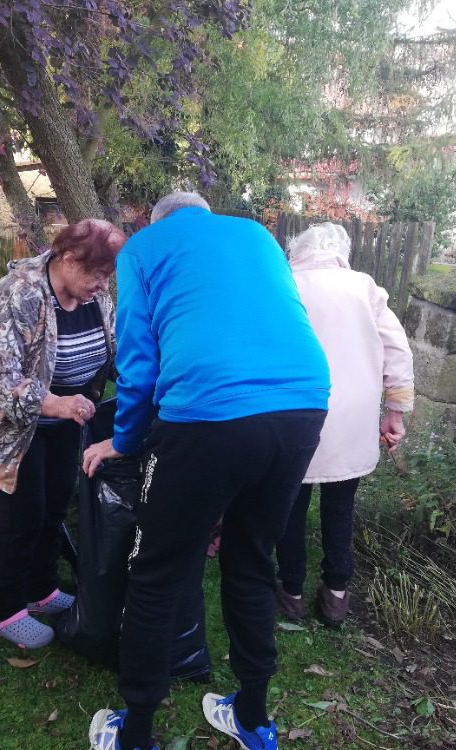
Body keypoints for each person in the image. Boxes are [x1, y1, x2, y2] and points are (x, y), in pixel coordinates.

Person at [82, 192, 330, 750]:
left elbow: (138, 362)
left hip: (205, 412)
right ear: (204, 212)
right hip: (303, 402)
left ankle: (135, 734)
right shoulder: (257, 235)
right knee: (252, 560)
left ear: (157, 219)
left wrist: (125, 441)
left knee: (157, 571)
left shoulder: (142, 248)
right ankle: (253, 718)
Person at [0, 218, 126, 649]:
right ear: (67, 258)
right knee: (25, 512)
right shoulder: (18, 293)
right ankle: (5, 611)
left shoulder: (95, 298)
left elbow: (111, 351)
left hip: (66, 420)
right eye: (97, 274)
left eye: (108, 276)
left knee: (55, 504)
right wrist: (58, 404)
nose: (103, 286)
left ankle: (41, 589)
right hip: (10, 425)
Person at [274, 222, 414, 628]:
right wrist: (395, 411)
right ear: (340, 253)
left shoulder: (286, 284)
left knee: (291, 505)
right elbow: (398, 349)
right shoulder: (364, 287)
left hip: (299, 411)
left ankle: (292, 591)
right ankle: (336, 593)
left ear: (297, 251)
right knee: (340, 504)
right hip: (352, 414)